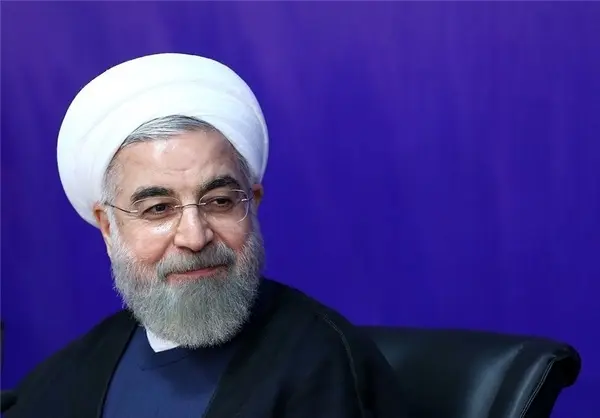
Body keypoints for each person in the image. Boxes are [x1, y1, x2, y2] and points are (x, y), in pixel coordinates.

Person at [6, 53, 411, 418]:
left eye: (219, 201)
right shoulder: (66, 378)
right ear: (108, 226)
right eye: (159, 209)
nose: (195, 237)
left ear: (253, 203)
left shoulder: (324, 366)